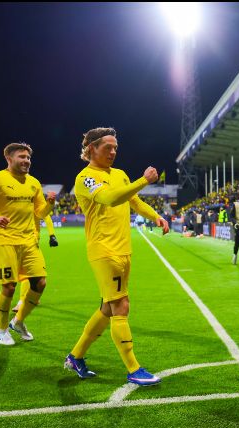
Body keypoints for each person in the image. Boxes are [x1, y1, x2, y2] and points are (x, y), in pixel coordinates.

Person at [64, 127, 170, 386]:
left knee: (107, 308)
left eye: (115, 148)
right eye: (107, 148)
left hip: (123, 249)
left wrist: (155, 216)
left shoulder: (120, 174)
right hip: (104, 250)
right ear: (91, 149)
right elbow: (110, 199)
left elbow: (133, 202)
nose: (113, 152)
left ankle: (75, 356)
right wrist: (144, 180)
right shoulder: (86, 178)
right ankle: (134, 368)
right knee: (121, 305)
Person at [0, 143, 56, 345]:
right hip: (5, 241)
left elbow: (39, 213)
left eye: (28, 157)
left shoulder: (34, 182)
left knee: (40, 283)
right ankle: (2, 330)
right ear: (9, 158)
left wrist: (50, 203)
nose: (26, 161)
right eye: (22, 157)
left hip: (29, 242)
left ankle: (18, 322)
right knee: (9, 288)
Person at [12, 214, 59, 314]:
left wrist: (52, 235)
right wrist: (52, 235)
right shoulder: (32, 200)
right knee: (33, 272)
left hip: (24, 238)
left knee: (25, 272)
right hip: (32, 237)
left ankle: (22, 302)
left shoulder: (28, 201)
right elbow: (46, 216)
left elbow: (46, 215)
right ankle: (33, 296)